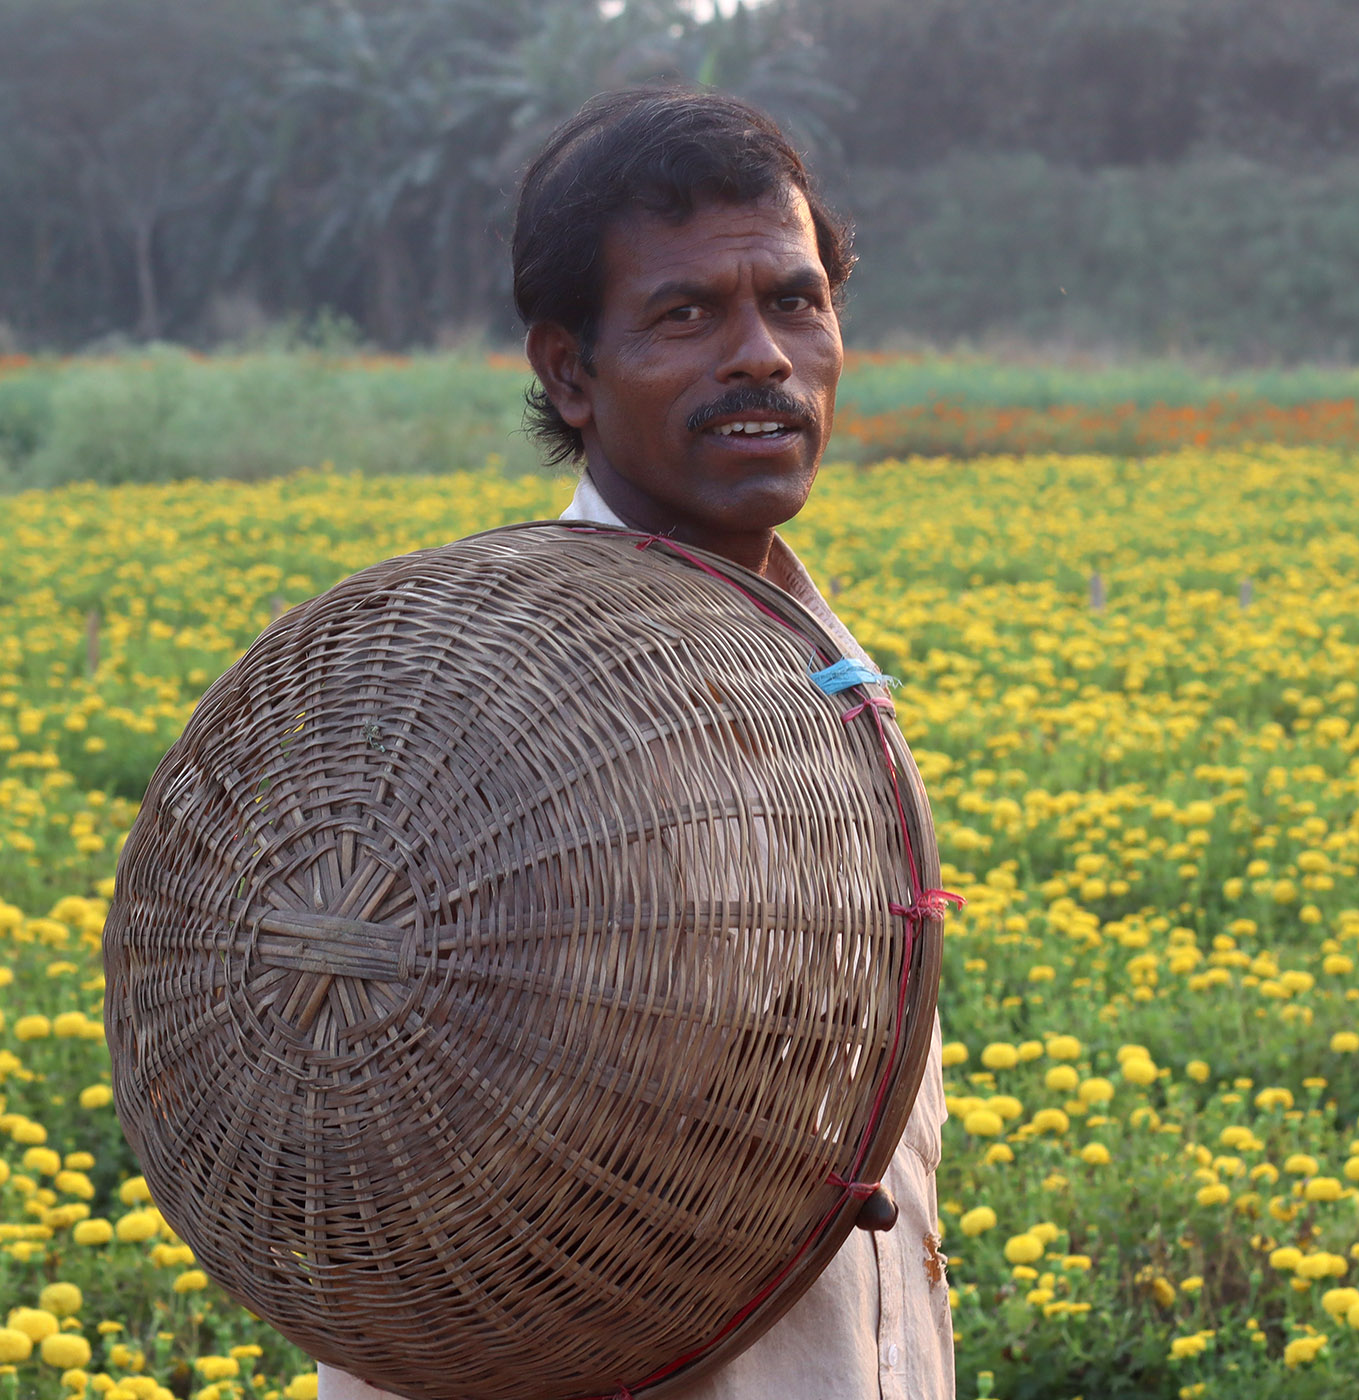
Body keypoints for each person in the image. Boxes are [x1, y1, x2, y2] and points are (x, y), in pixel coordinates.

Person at [316, 87, 955, 1400]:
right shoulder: (475, 705)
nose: (762, 356)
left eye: (793, 301)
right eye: (685, 316)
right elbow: (405, 1201)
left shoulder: (822, 669)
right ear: (569, 372)